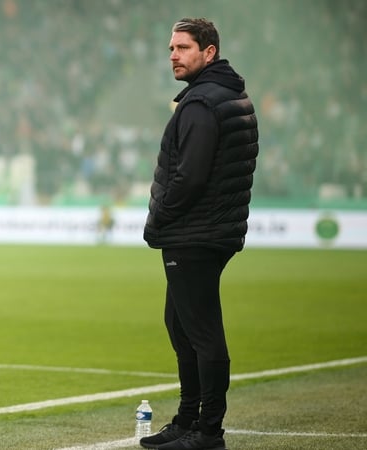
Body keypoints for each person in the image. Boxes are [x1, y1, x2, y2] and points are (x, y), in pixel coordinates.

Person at [140, 18, 259, 450]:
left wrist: (158, 218)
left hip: (194, 231)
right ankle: (188, 420)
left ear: (209, 52)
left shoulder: (201, 103)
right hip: (213, 227)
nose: (174, 55)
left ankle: (208, 431)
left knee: (201, 331)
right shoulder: (226, 94)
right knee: (180, 324)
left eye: (183, 48)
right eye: (171, 48)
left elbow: (189, 177)